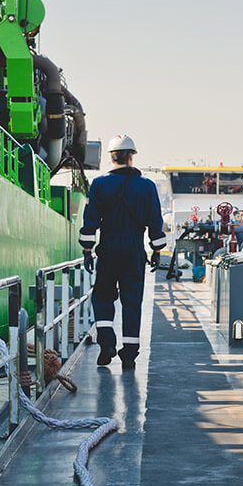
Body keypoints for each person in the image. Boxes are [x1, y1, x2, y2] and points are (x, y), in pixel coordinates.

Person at [79, 134, 166, 369]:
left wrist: (87, 250)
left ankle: (106, 342)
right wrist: (156, 251)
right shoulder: (147, 186)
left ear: (111, 157)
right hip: (134, 249)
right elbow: (155, 223)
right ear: (131, 156)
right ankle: (129, 354)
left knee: (102, 296)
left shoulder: (98, 184)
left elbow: (90, 221)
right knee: (132, 301)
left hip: (107, 248)